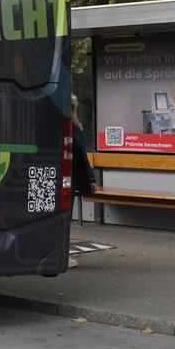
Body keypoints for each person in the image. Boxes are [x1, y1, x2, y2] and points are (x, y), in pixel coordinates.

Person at [69, 94, 97, 269]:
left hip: (67, 178)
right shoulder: (71, 127)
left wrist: (91, 178)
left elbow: (82, 156)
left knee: (63, 216)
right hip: (65, 178)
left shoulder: (72, 127)